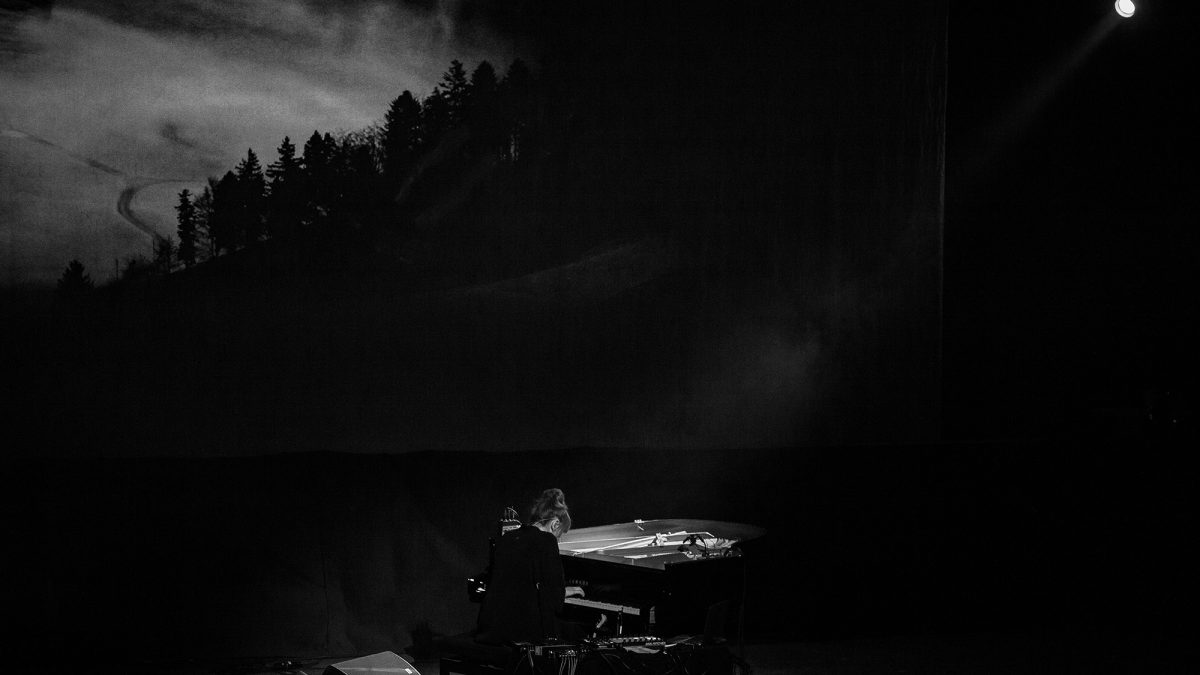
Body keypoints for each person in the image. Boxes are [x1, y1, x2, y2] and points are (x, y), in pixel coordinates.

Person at [475, 488, 574, 645]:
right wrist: (564, 591)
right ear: (555, 524)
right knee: (577, 636)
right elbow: (556, 602)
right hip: (521, 633)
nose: (558, 540)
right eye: (559, 535)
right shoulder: (547, 540)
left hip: (490, 628)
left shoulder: (506, 538)